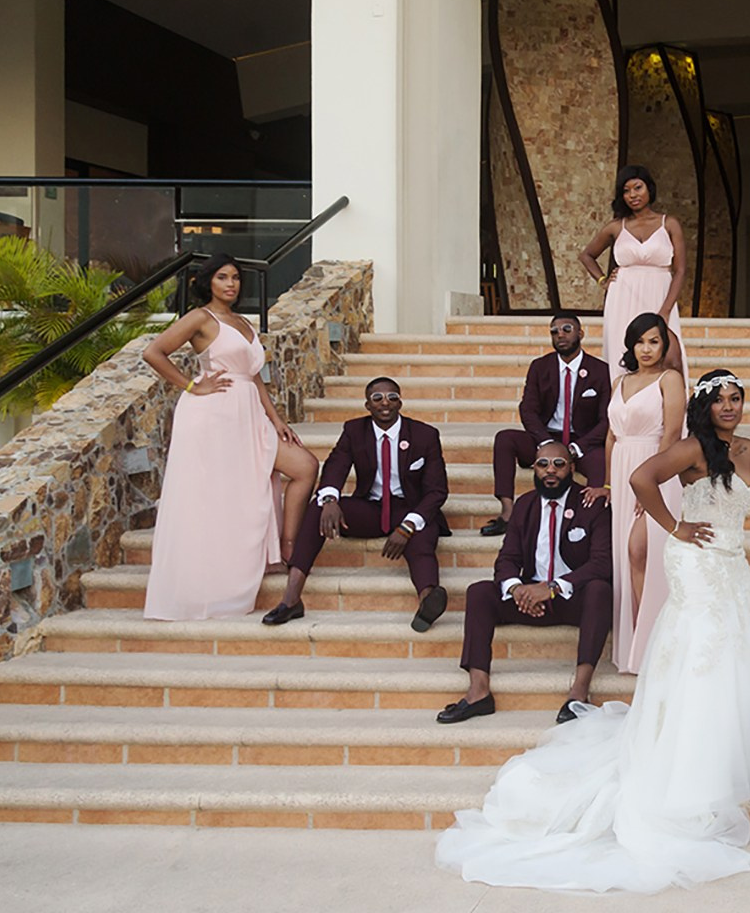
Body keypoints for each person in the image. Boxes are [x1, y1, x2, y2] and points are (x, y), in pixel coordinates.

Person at [436, 370, 750, 894]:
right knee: (708, 647)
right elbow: (640, 478)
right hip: (696, 559)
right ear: (705, 406)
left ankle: (736, 750)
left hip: (733, 560)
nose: (730, 406)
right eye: (721, 399)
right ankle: (693, 762)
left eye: (737, 398)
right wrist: (674, 526)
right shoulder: (690, 449)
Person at [142, 254, 318, 621]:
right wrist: (192, 385)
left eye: (236, 278)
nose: (231, 284)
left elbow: (253, 375)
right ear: (208, 283)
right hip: (212, 414)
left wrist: (276, 419)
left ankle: (286, 548)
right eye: (222, 277)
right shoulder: (200, 318)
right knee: (217, 492)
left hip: (249, 412)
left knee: (304, 466)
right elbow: (153, 352)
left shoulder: (242, 321)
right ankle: (213, 576)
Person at [437, 441, 614, 726]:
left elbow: (602, 563)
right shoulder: (526, 503)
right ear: (535, 468)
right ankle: (478, 691)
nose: (550, 471)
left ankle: (579, 692)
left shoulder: (591, 503)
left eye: (558, 464)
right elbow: (507, 557)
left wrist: (553, 587)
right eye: (543, 464)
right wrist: (517, 589)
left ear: (571, 468)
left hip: (571, 597)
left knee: (600, 590)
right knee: (480, 592)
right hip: (530, 597)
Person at [261, 376, 452, 632]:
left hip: (409, 508)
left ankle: (428, 599)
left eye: (392, 397)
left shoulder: (424, 435)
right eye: (377, 398)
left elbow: (437, 491)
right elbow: (335, 466)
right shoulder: (354, 431)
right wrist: (329, 499)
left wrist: (407, 526)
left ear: (400, 403)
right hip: (371, 508)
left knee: (422, 535)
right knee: (318, 506)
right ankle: (291, 598)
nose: (385, 403)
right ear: (367, 406)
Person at [606, 312, 686, 672]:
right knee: (626, 559)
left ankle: (654, 641)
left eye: (654, 341)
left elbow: (672, 433)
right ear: (631, 345)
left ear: (665, 345)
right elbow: (610, 436)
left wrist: (647, 482)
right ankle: (635, 644)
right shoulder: (619, 381)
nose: (647, 348)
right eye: (640, 341)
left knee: (640, 551)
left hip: (655, 469)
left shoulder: (670, 379)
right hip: (622, 468)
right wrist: (610, 483)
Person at [481, 312, 609, 535]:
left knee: (601, 459)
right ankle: (508, 513)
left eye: (566, 329)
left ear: (581, 333)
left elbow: (607, 419)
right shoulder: (540, 367)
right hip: (546, 436)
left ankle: (588, 519)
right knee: (505, 438)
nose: (560, 335)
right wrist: (546, 442)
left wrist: (578, 447)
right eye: (554, 331)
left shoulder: (600, 370)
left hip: (582, 441)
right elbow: (528, 409)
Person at [580, 165, 687, 374]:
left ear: (649, 189)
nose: (632, 195)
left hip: (660, 294)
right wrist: (603, 280)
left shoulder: (669, 224)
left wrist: (665, 310)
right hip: (623, 297)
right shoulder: (616, 226)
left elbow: (680, 270)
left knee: (667, 355)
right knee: (622, 351)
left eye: (638, 188)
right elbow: (587, 255)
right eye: (626, 191)